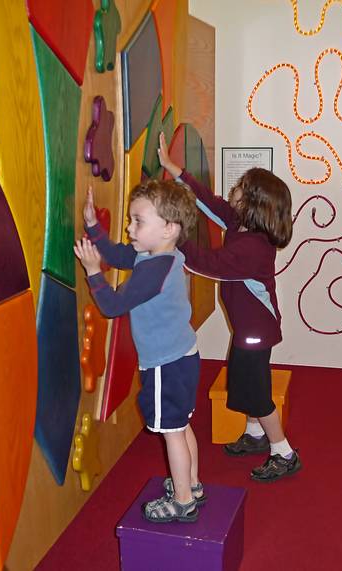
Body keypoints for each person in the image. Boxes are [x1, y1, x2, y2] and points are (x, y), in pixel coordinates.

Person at [157, 133, 301, 482]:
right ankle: (254, 434)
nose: (232, 190)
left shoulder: (252, 246)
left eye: (240, 188)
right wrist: (176, 171)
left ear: (253, 202)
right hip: (250, 327)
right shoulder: (241, 223)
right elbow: (209, 202)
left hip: (256, 331)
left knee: (255, 389)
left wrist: (172, 239)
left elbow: (209, 263)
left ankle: (283, 451)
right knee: (243, 379)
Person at [74, 180, 204, 522]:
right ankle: (191, 484)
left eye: (138, 221)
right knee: (182, 424)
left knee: (171, 430)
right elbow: (118, 254)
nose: (130, 228)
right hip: (182, 357)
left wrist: (92, 273)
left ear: (168, 228)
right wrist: (93, 226)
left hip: (165, 364)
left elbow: (113, 306)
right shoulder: (160, 254)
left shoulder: (153, 271)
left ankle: (183, 500)